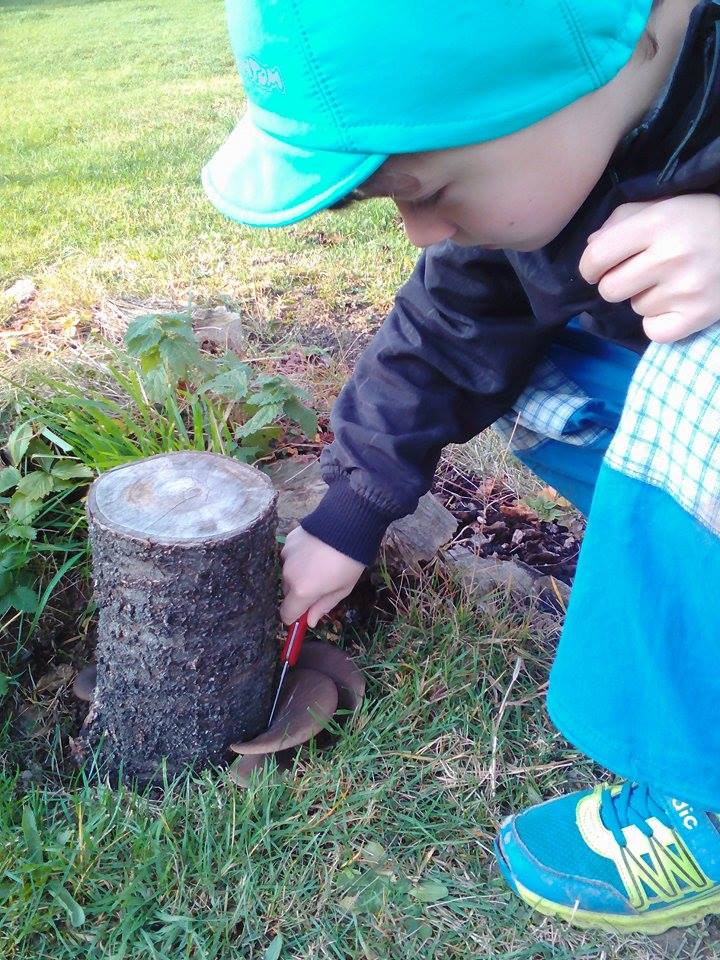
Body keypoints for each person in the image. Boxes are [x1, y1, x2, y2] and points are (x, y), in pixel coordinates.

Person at [201, 0, 720, 934]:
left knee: (698, 373)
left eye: (431, 190)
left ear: (605, 58)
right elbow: (445, 336)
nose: (422, 232)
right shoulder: (559, 151)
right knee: (542, 373)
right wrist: (349, 514)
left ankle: (704, 789)